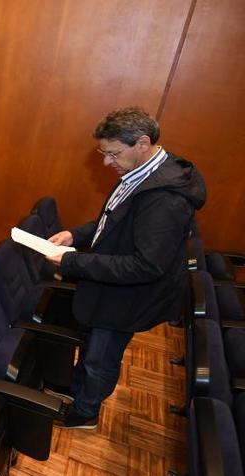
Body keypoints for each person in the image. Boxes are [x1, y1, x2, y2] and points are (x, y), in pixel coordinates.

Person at [45, 107, 206, 429]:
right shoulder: (139, 173)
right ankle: (78, 390)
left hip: (127, 297)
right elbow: (112, 222)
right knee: (93, 348)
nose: (107, 163)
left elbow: (146, 265)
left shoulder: (164, 197)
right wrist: (76, 234)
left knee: (102, 357)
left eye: (113, 154)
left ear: (142, 143)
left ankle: (85, 412)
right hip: (110, 286)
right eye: (103, 153)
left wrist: (74, 260)